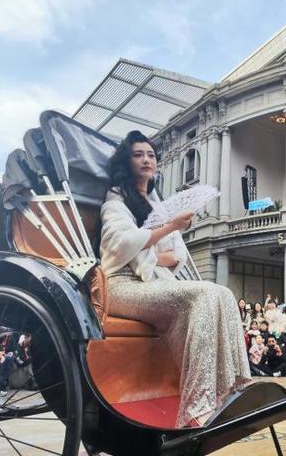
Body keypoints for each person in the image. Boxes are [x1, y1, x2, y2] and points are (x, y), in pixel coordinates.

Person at [99, 130, 250, 428]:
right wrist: (167, 229)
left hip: (153, 282)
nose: (146, 160)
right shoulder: (115, 202)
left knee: (222, 292)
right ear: (126, 162)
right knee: (203, 294)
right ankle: (197, 406)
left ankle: (233, 386)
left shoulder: (156, 205)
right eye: (138, 155)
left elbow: (174, 256)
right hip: (121, 285)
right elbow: (120, 244)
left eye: (151, 155)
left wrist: (154, 247)